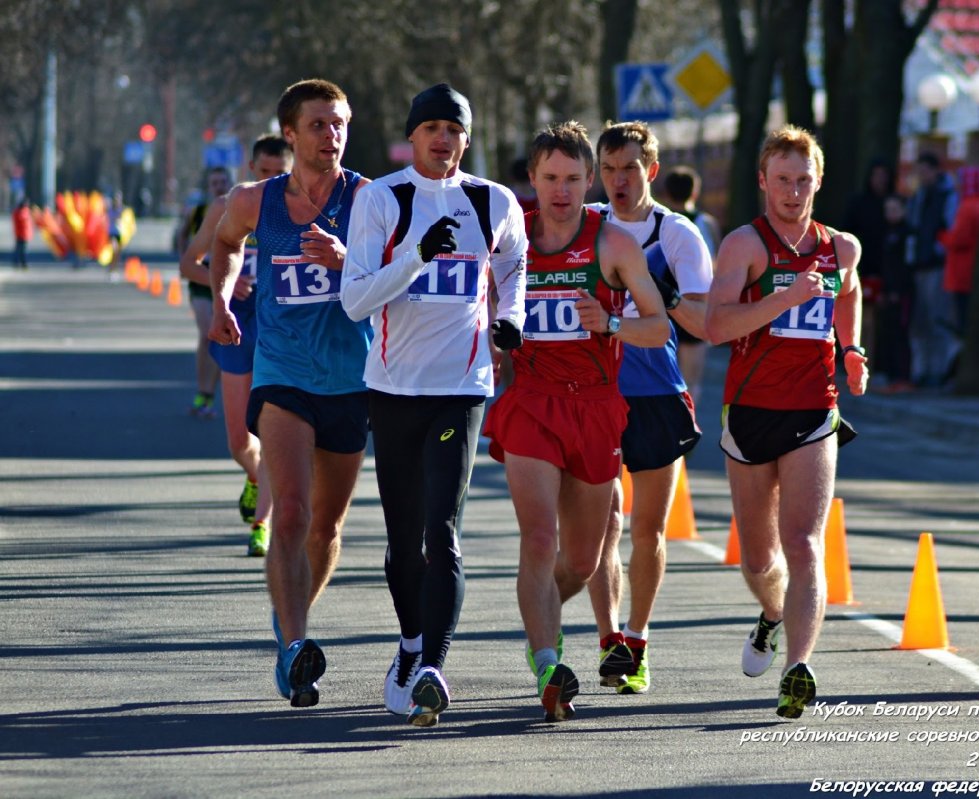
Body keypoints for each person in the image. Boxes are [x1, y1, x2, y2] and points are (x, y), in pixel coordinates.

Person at [341, 83, 527, 728]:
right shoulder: (381, 199)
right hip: (393, 388)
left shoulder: (493, 201)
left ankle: (432, 668)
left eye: (454, 129)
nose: (442, 139)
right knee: (402, 543)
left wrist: (513, 318)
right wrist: (419, 254)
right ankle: (410, 645)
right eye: (431, 129)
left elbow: (512, 264)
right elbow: (356, 300)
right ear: (412, 137)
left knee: (441, 531)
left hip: (463, 387)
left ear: (466, 140)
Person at [483, 121, 669, 721]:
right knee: (538, 539)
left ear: (589, 181)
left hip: (594, 405)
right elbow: (475, 318)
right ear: (530, 181)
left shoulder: (612, 244)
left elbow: (660, 326)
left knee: (584, 561)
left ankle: (540, 614)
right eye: (548, 179)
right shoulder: (510, 242)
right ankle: (547, 661)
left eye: (571, 179)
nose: (560, 191)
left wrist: (610, 324)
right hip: (532, 401)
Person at [208, 79, 372, 708]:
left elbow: (397, 270)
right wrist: (223, 299)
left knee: (327, 525)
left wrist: (347, 262)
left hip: (350, 378)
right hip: (281, 372)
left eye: (339, 124)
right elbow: (224, 243)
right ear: (290, 133)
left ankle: (290, 611)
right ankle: (296, 647)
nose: (331, 136)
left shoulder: (370, 201)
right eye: (319, 125)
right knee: (294, 511)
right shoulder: (256, 201)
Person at [705, 126, 868, 719]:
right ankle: (771, 614)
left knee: (803, 543)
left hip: (814, 410)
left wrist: (851, 351)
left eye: (804, 180)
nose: (794, 192)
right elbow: (716, 327)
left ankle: (798, 668)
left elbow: (848, 296)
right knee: (758, 560)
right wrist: (785, 298)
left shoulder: (840, 248)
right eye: (783, 181)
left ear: (818, 180)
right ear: (763, 182)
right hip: (749, 413)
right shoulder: (743, 246)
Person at [585, 123, 712, 695]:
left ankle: (637, 637)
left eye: (630, 168)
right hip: (591, 394)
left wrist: (664, 295)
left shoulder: (677, 233)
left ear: (651, 171)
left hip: (657, 393)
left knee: (648, 529)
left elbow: (706, 322)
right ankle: (611, 639)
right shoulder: (585, 228)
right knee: (601, 525)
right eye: (609, 169)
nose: (619, 180)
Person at [183, 134, 293, 556]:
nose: (270, 181)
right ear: (251, 170)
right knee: (238, 440)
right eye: (263, 173)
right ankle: (254, 477)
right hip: (236, 325)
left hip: (281, 327)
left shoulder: (302, 205)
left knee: (273, 431)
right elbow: (189, 264)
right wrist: (226, 289)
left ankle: (262, 524)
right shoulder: (229, 205)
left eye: (279, 175)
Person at [660, 164, 721, 406]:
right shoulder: (708, 224)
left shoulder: (660, 222)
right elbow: (717, 267)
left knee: (664, 379)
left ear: (666, 193)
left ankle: (670, 433)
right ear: (694, 193)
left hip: (664, 306)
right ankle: (687, 433)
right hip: (696, 307)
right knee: (690, 381)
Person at [180, 166, 233, 418]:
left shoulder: (236, 207)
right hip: (202, 277)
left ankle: (214, 392)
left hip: (231, 275)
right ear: (208, 186)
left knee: (224, 336)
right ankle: (204, 392)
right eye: (214, 183)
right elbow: (182, 236)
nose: (219, 187)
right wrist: (186, 259)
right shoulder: (199, 211)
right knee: (207, 332)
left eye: (223, 182)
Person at [906, 151, 958, 388]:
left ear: (936, 170)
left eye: (924, 170)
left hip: (937, 265)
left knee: (937, 318)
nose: (921, 175)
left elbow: (949, 228)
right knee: (921, 320)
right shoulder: (919, 197)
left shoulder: (946, 196)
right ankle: (922, 369)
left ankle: (939, 370)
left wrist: (939, 250)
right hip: (920, 263)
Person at [842, 158, 895, 360]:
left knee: (881, 320)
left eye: (884, 176)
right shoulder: (858, 203)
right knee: (862, 318)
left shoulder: (893, 203)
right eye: (877, 176)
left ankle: (876, 360)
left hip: (886, 269)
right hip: (861, 267)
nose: (880, 180)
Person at [942, 166, 979, 344]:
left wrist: (941, 236)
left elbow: (959, 239)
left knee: (963, 317)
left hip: (963, 271)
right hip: (978, 270)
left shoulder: (968, 207)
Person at [875, 194, 915, 393]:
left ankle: (903, 377)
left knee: (901, 333)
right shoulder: (887, 233)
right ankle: (892, 377)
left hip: (902, 293)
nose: (890, 214)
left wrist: (898, 290)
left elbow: (907, 265)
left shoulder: (908, 234)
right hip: (888, 290)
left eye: (894, 209)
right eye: (887, 210)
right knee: (889, 332)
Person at [11, 196, 32, 270]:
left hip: (24, 234)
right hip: (20, 234)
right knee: (21, 250)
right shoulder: (20, 212)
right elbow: (22, 221)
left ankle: (20, 263)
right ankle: (21, 263)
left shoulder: (25, 211)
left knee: (21, 249)